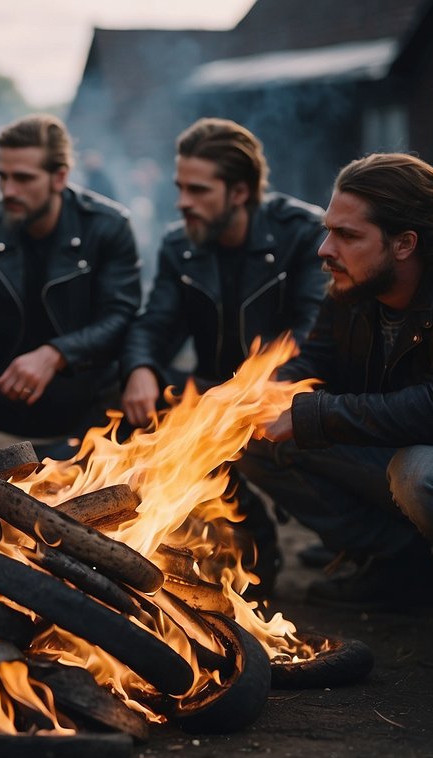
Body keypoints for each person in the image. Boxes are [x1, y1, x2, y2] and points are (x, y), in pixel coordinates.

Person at [242, 152, 433, 668]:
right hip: (406, 446)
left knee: (425, 475)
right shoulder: (354, 283)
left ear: (404, 243)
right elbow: (317, 359)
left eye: (347, 235)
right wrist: (253, 398)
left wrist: (313, 415)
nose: (324, 249)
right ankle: (396, 572)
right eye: (328, 229)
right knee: (253, 437)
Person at [119, 118, 328, 594]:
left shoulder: (302, 233)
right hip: (215, 388)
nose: (182, 202)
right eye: (179, 187)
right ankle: (248, 547)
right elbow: (154, 324)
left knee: (217, 415)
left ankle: (367, 551)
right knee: (140, 402)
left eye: (197, 190)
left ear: (239, 192)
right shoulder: (181, 245)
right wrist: (140, 369)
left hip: (288, 389)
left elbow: (313, 336)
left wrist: (242, 397)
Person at [0, 113, 142, 460]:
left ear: (59, 177)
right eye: (3, 177)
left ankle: (96, 477)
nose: (9, 190)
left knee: (148, 368)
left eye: (23, 178)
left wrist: (56, 355)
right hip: (3, 385)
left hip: (83, 394)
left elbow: (121, 317)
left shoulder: (108, 226)